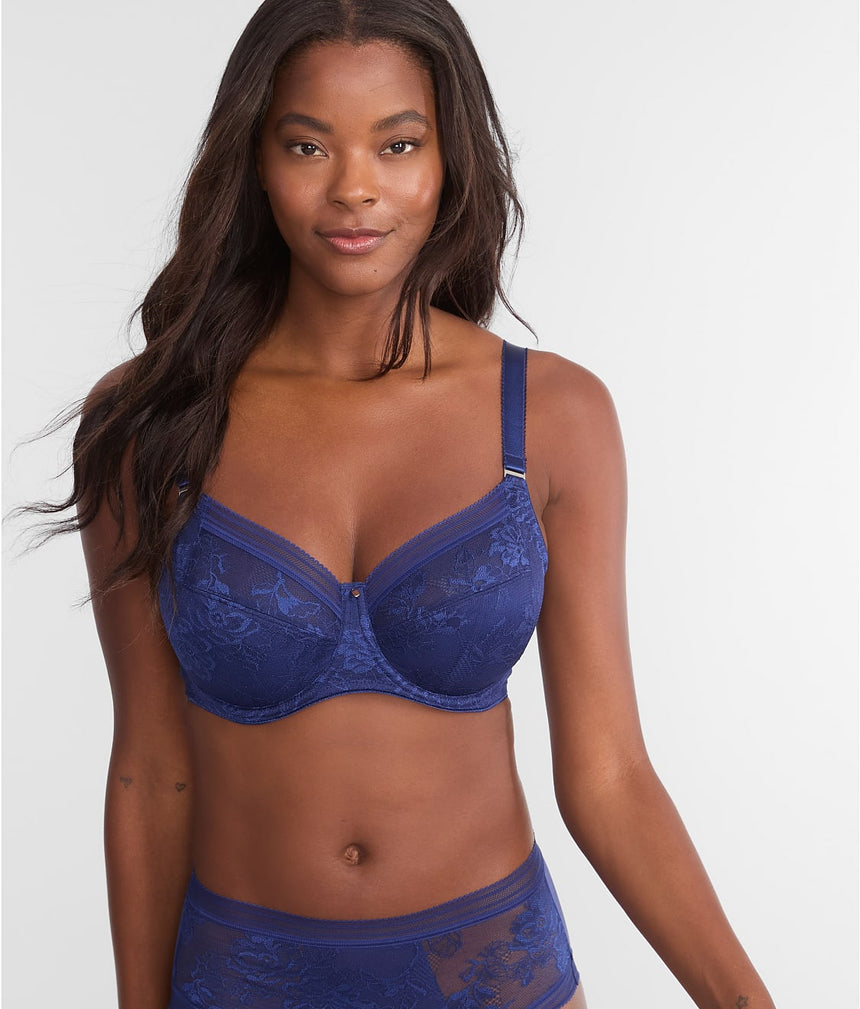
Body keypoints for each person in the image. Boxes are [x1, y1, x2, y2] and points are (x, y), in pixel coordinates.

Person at [28, 1, 777, 1007]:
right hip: (240, 978)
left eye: (398, 144)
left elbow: (608, 774)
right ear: (254, 160)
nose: (354, 188)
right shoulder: (148, 420)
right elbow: (151, 769)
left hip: (496, 978)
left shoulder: (551, 417)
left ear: (448, 159)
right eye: (307, 145)